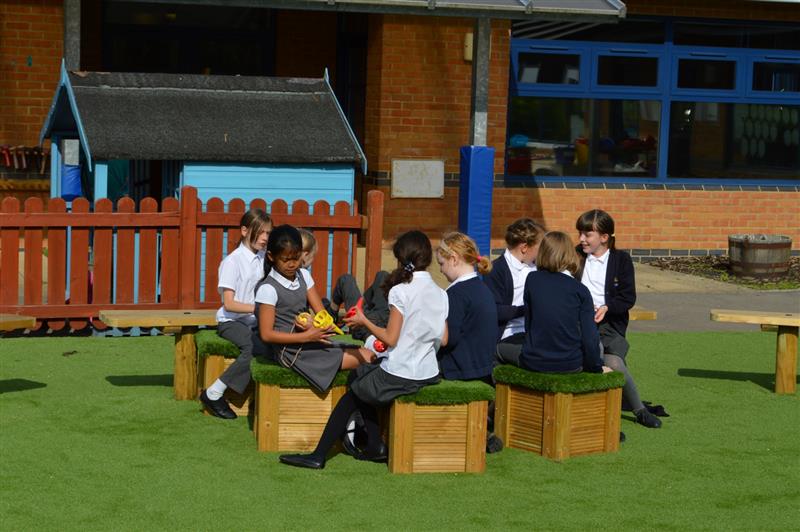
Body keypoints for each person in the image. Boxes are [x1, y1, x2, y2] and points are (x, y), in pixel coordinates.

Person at [278, 230, 449, 469]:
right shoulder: (441, 293)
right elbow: (443, 340)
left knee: (354, 390)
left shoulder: (401, 291)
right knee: (362, 376)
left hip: (402, 373)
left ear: (400, 258)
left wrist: (364, 321)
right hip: (429, 373)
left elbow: (390, 338)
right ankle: (373, 446)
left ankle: (318, 455)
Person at [254, 225, 374, 392]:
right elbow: (267, 335)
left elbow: (321, 313)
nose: (292, 264)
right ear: (271, 256)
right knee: (368, 357)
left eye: (295, 258)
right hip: (290, 352)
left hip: (309, 341)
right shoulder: (268, 289)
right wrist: (307, 336)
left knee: (367, 353)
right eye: (285, 259)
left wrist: (324, 325)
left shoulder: (303, 275)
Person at [576, 209, 662, 428]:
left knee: (614, 362)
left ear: (604, 237)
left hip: (609, 325)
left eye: (587, 234)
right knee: (594, 359)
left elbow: (627, 298)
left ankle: (639, 410)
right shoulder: (574, 255)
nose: (581, 239)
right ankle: (595, 417)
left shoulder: (621, 260)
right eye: (580, 233)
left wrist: (606, 307)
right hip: (580, 323)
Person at [200, 209, 272, 420]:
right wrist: (259, 309)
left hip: (254, 320)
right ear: (244, 231)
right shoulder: (232, 262)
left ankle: (260, 397)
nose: (265, 238)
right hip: (231, 321)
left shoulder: (262, 258)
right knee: (253, 347)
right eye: (261, 233)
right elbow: (229, 304)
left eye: (268, 233)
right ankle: (213, 393)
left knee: (273, 342)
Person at [435, 231, 503, 453]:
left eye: (442, 264)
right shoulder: (483, 289)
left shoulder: (456, 294)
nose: (441, 269)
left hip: (458, 369)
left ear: (454, 258)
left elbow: (449, 339)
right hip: (482, 368)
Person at [518, 231, 609, 374]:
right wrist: (596, 367)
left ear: (543, 253)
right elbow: (589, 337)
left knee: (499, 349)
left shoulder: (532, 279)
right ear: (569, 254)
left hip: (534, 360)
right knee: (597, 346)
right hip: (570, 364)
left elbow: (529, 324)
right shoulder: (581, 290)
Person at [299, 227, 390, 341]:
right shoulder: (302, 276)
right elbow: (319, 315)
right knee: (348, 279)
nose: (313, 261)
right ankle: (372, 319)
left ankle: (333, 311)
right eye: (313, 256)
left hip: (367, 317)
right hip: (362, 324)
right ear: (305, 255)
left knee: (382, 275)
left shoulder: (298, 276)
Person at [484, 218, 545, 365]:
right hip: (508, 335)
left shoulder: (539, 267)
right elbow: (495, 310)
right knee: (537, 358)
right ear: (525, 247)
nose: (543, 251)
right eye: (540, 246)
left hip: (535, 333)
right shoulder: (497, 270)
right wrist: (526, 309)